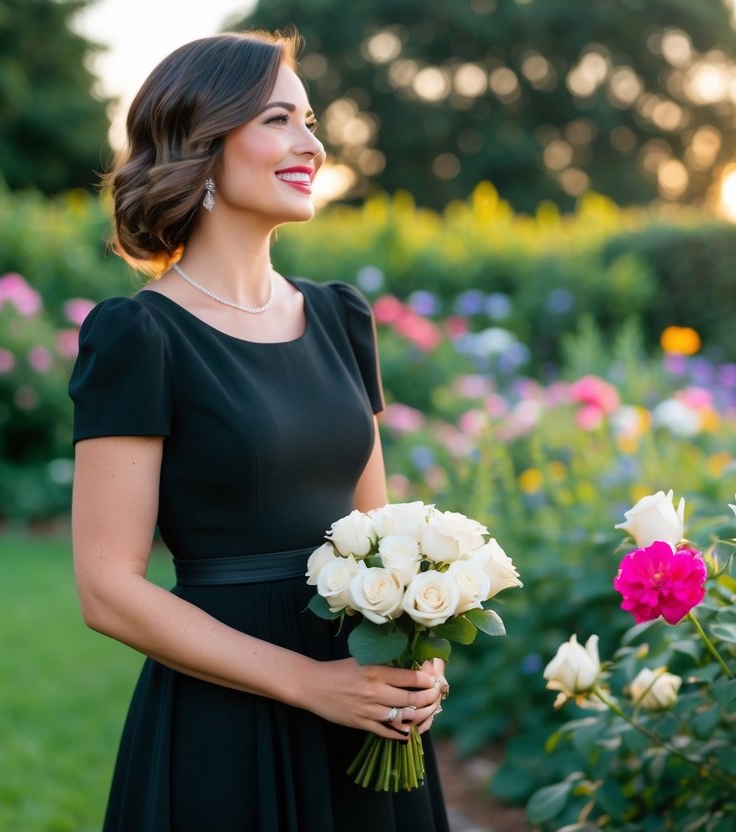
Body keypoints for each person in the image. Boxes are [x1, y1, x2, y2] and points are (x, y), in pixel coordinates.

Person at [68, 30, 450, 831]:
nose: (310, 144)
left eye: (311, 121)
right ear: (204, 143)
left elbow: (379, 533)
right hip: (227, 713)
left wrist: (418, 646)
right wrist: (306, 683)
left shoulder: (342, 315)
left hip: (367, 698)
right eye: (280, 119)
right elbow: (108, 589)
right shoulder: (139, 337)